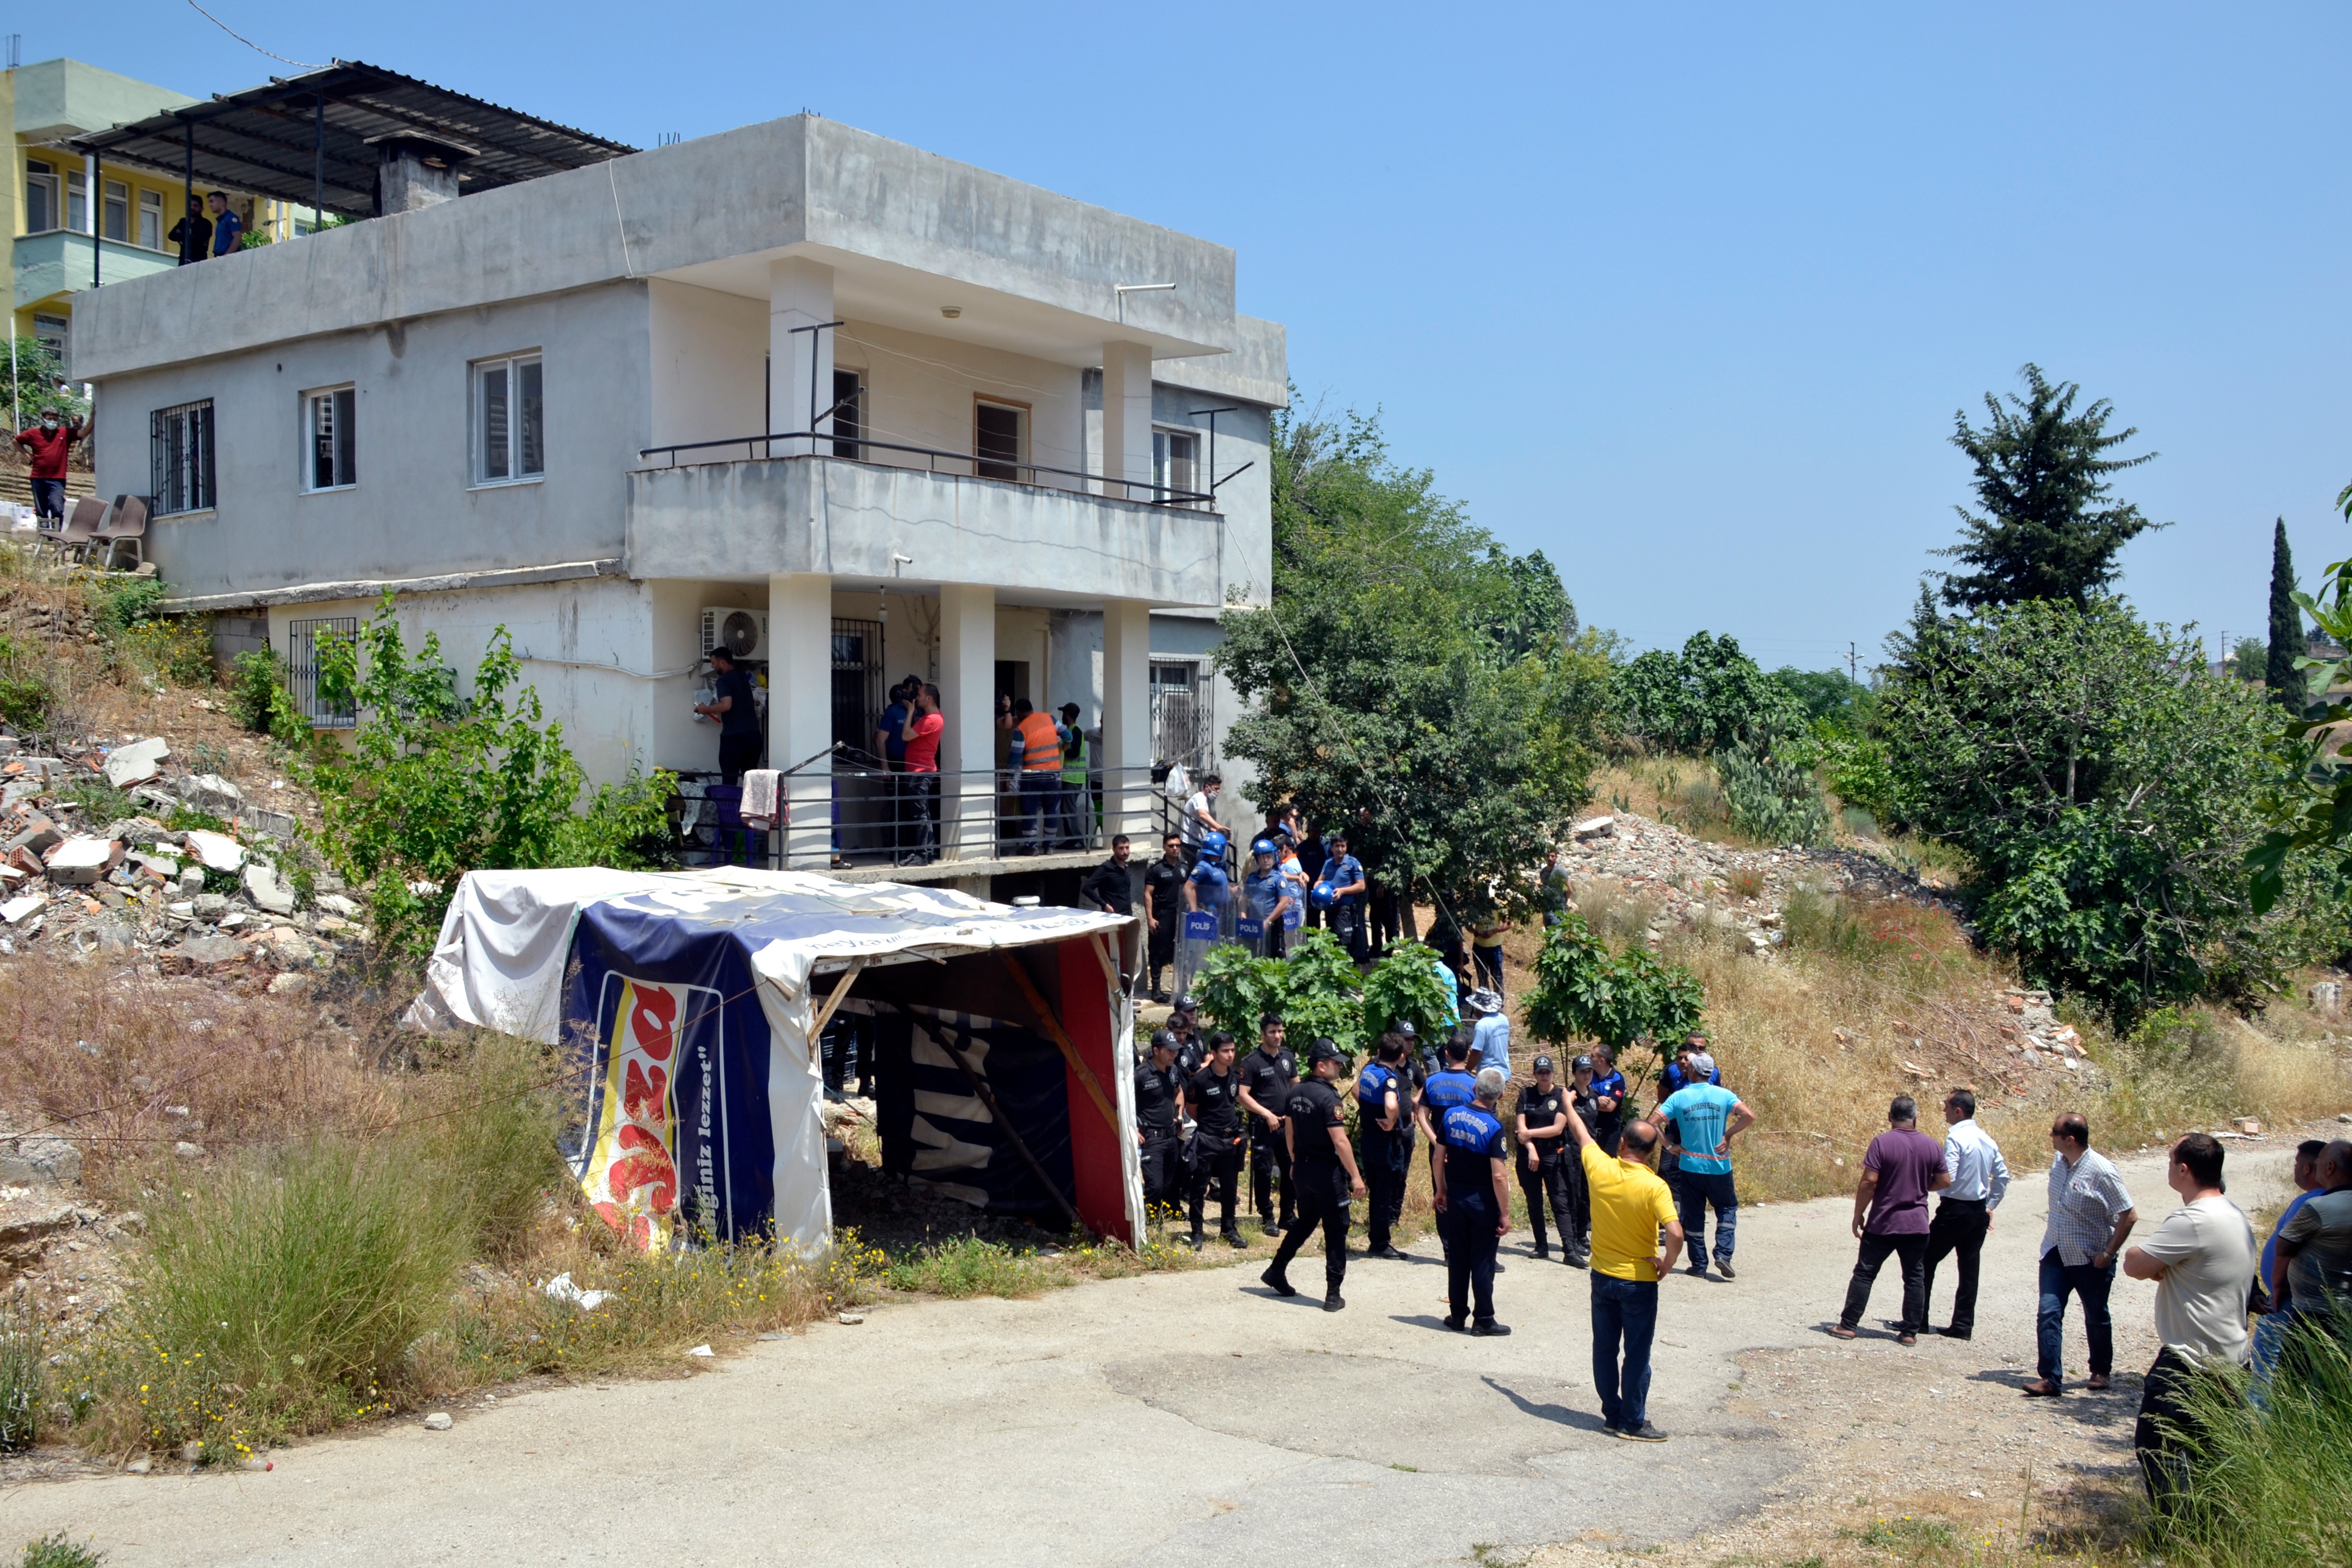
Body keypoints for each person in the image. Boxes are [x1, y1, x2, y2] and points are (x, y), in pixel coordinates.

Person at [2121, 1133, 2257, 1510]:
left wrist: (2155, 1262)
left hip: (2191, 1363)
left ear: (2183, 1169)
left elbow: (2135, 1264)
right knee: (2211, 1457)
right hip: (2232, 1359)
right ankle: (2215, 1534)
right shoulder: (2233, 1213)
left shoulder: (2193, 1220)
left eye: (2169, 1161)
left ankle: (2174, 1534)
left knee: (2157, 1448)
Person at [1561, 1083, 1683, 1440]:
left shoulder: (1601, 1168)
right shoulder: (1655, 1186)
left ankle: (1612, 1414)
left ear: (1623, 1144)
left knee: (1605, 1348)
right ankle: (1633, 1421)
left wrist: (1569, 1104)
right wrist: (1667, 1263)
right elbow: (1675, 1233)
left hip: (1602, 1275)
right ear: (1650, 1152)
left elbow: (1581, 1133)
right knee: (1637, 1353)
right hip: (1639, 1279)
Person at [2023, 1111, 2137, 1397]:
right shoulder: (2058, 1163)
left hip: (2091, 1257)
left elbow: (2129, 1215)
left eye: (2055, 1133)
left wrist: (2109, 1253)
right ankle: (2050, 1378)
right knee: (2048, 1312)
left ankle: (2100, 1371)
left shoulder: (2102, 1171)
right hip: (2055, 1251)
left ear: (2070, 1140)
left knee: (2096, 1315)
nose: (2050, 1137)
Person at [1832, 1096, 1951, 1344]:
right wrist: (1920, 1185)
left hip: (1883, 1222)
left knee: (1865, 1273)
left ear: (1890, 1117)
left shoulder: (1881, 1143)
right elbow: (1944, 1182)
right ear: (1916, 1118)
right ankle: (1909, 1332)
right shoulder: (1932, 1145)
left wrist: (1858, 1214)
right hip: (1917, 1223)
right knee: (1914, 1277)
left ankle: (1848, 1325)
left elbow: (1869, 1181)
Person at [1261, 1039, 1365, 1311]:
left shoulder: (1295, 1093)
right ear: (1322, 1066)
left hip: (1303, 1170)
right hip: (1326, 1172)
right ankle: (1333, 1293)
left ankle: (1276, 1270)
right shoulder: (1329, 1098)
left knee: (1306, 1221)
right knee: (1336, 1228)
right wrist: (1356, 1177)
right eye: (1336, 1063)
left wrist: (1295, 1161)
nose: (1341, 1066)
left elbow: (1289, 1131)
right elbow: (1341, 1142)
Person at [1653, 1051, 1752, 1281]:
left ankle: (1698, 1264)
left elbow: (1653, 1123)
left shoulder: (1679, 1097)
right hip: (1719, 1166)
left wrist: (1669, 1146)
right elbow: (1749, 1115)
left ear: (1693, 1071)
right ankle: (1724, 1253)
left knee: (1694, 1215)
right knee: (1727, 1209)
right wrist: (1728, 1135)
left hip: (1689, 1164)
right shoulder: (1724, 1095)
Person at [1432, 1066, 1515, 1335]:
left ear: (1474, 1089)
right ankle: (1483, 1319)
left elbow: (1438, 1157)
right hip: (1483, 1201)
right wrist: (1505, 1213)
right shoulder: (1494, 1128)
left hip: (1456, 1195)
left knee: (1458, 1258)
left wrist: (1441, 1189)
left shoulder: (1451, 1116)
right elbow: (1499, 1176)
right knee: (1482, 1260)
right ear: (1501, 1096)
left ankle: (1457, 1315)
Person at [1922, 1087, 2010, 1340]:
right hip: (1977, 1210)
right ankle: (1962, 1325)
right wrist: (1990, 1205)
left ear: (1958, 1111)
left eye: (1947, 1106)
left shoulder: (1956, 1139)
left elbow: (1947, 1177)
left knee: (1924, 1260)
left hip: (1955, 1210)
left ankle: (1918, 1319)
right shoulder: (1987, 1139)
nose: (1944, 1110)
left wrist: (1922, 1187)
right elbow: (2003, 1176)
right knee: (1969, 1269)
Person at [2250, 1139, 2330, 1399]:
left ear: (2308, 1168)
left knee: (2267, 1371)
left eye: (2297, 1164)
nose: (2294, 1169)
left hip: (2287, 1302)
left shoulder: (2314, 1204)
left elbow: (2286, 1251)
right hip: (2291, 1299)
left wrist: (2277, 1290)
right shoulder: (2314, 1200)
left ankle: (2259, 1429)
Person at [2269, 1138, 2352, 1358]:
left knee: (2295, 1376)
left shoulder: (2319, 1207)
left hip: (2312, 1311)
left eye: (2321, 1159)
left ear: (2330, 1167)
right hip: (2346, 1310)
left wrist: (2277, 1287)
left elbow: (2284, 1248)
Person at [1515, 1055, 1581, 1264]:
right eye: (1540, 1072)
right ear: (1535, 1074)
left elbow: (1558, 1128)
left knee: (1560, 1201)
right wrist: (1532, 1149)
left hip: (1554, 1153)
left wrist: (1530, 1134)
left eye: (1548, 1072)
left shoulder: (1561, 1094)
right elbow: (1520, 1128)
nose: (1544, 1076)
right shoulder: (1526, 1094)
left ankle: (1569, 1249)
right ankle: (1541, 1246)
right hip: (1529, 1154)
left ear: (1553, 1073)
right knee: (1534, 1201)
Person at [1184, 1032, 1248, 1248]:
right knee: (1199, 1187)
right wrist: (1209, 1128)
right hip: (1207, 1140)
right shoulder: (1201, 1080)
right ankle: (1197, 1233)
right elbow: (1192, 1110)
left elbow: (1235, 1101)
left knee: (1230, 1188)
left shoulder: (1234, 1076)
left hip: (1230, 1141)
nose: (1230, 1055)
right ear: (1213, 1053)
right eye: (1225, 1051)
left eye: (1232, 1050)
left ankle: (1229, 1229)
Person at [1237, 1015, 1297, 1236]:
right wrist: (1266, 1114)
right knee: (1263, 1172)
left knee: (1292, 1168)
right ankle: (1267, 1217)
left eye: (1280, 1031)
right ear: (1262, 1034)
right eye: (1273, 1031)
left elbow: (1295, 1086)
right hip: (1264, 1126)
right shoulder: (1252, 1062)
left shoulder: (1288, 1057)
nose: (1278, 1035)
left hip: (1286, 1124)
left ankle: (1287, 1215)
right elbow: (1242, 1096)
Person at [1356, 1032, 1411, 1260]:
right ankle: (1380, 1243)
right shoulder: (1390, 1078)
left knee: (1376, 1190)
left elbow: (1356, 1090)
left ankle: (1376, 1238)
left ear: (1379, 1052)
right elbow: (1391, 1104)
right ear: (1400, 1057)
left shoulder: (1369, 1070)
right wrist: (1391, 1121)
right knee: (1385, 1194)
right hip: (1385, 1145)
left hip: (1368, 1140)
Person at [695, 647, 764, 784]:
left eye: (714, 663)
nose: (713, 666)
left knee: (729, 780)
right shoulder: (742, 675)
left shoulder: (724, 680)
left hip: (734, 738)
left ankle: (730, 806)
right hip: (754, 735)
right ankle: (751, 806)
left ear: (723, 663)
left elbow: (726, 705)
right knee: (751, 782)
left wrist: (705, 709)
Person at [1006, 698, 1065, 854]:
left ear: (1018, 713)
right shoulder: (1050, 719)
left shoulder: (1021, 729)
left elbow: (1015, 757)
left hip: (1032, 776)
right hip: (1054, 775)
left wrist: (1010, 777)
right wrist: (1063, 745)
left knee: (1029, 811)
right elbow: (1069, 736)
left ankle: (1031, 847)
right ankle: (1050, 846)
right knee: (1052, 811)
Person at [1134, 1031, 1184, 1207]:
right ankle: (1150, 1221)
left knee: (1167, 1185)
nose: (1174, 1054)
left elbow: (1179, 1092)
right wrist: (1133, 1129)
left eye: (1176, 1050)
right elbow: (1125, 1103)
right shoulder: (1140, 1075)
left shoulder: (1173, 1071)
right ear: (1156, 1050)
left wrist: (1179, 1116)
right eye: (1169, 1050)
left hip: (1171, 1136)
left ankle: (1158, 1216)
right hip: (1151, 1139)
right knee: (1154, 1186)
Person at [12, 407, 86, 527]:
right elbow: (16, 441)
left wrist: (93, 418)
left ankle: (56, 536)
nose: (52, 421)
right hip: (38, 477)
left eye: (55, 419)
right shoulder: (33, 433)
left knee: (56, 506)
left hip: (57, 479)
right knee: (41, 510)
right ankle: (44, 536)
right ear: (43, 419)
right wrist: (28, 455)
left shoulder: (64, 432)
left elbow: (83, 433)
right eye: (50, 419)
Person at [1082, 835, 1138, 989]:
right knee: (1116, 955)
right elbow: (1087, 889)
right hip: (1113, 919)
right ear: (1114, 849)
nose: (1125, 851)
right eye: (1121, 848)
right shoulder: (1106, 869)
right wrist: (1104, 904)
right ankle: (1116, 989)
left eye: (1127, 848)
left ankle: (1128, 992)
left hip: (1127, 917)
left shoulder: (1126, 869)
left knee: (1128, 955)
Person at [898, 683, 943, 865]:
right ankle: (928, 852)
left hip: (920, 772)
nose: (917, 697)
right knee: (923, 813)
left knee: (920, 815)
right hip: (920, 770)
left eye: (920, 694)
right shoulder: (931, 718)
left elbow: (906, 736)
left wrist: (910, 711)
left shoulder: (931, 719)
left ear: (929, 698)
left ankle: (923, 855)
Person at [1563, 1054, 1602, 1261]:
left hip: (1591, 1152)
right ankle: (1573, 1239)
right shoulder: (1568, 1096)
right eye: (1583, 1072)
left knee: (1588, 1196)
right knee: (1574, 1195)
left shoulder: (1594, 1096)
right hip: (1573, 1152)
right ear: (1575, 1074)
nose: (1587, 1076)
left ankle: (1582, 1234)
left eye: (1589, 1072)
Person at [1143, 834, 1187, 999]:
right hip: (1162, 914)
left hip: (1180, 913)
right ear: (1164, 848)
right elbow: (1148, 894)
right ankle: (1156, 990)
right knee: (1158, 952)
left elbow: (1190, 890)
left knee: (1180, 951)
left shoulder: (1185, 867)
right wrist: (1150, 918)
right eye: (1171, 846)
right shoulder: (1156, 869)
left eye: (1177, 845)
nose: (1175, 848)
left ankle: (1182, 988)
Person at [874, 677, 914, 859]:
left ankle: (912, 848)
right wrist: (885, 766)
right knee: (896, 807)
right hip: (895, 762)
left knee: (912, 807)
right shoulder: (893, 711)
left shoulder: (919, 711)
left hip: (915, 765)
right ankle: (896, 850)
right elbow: (880, 739)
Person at [1241, 838, 1294, 959]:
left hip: (1274, 925)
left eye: (1268, 856)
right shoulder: (1252, 878)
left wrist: (1269, 921)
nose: (1266, 860)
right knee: (1254, 955)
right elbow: (1244, 899)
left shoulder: (1279, 878)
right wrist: (1243, 916)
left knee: (1275, 955)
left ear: (1274, 857)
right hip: (1254, 923)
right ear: (1256, 860)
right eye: (1261, 857)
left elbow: (1284, 903)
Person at [1320, 830, 1368, 962]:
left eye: (1343, 846)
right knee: (1332, 942)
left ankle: (1347, 975)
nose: (1340, 849)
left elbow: (1361, 886)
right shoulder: (1328, 863)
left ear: (1346, 847)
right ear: (1332, 848)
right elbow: (1319, 881)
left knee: (1344, 944)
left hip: (1345, 911)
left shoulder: (1353, 863)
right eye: (1337, 846)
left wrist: (1342, 891)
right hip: (1330, 910)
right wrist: (1319, 887)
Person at [1182, 830, 1232, 936]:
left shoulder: (1218, 865)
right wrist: (1194, 913)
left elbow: (1220, 885)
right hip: (1210, 914)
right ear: (1219, 847)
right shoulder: (1203, 866)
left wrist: (1232, 890)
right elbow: (1188, 888)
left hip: (1223, 913)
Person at [1055, 701, 1090, 849]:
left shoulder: (1075, 731)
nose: (1062, 716)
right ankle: (1071, 840)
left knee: (1069, 810)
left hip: (1073, 778)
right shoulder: (1071, 730)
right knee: (1066, 809)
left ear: (1067, 715)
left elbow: (1074, 753)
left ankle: (1077, 840)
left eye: (1064, 713)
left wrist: (1060, 750)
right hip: (1069, 777)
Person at [1587, 1045, 1627, 1156]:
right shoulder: (1588, 1075)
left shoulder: (1617, 1079)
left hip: (1610, 1133)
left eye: (1592, 1056)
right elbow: (1579, 1099)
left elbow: (1610, 1107)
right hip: (1589, 1129)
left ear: (1601, 1061)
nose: (1589, 1058)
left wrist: (1588, 1103)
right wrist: (1597, 1101)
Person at [1465, 988, 1511, 1081]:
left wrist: (1467, 1071)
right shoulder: (1503, 1018)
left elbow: (1477, 1053)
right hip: (1504, 1073)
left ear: (1479, 1009)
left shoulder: (1482, 1025)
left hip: (1488, 1076)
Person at [1181, 773, 1228, 863]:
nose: (1218, 792)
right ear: (1207, 787)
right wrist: (1220, 828)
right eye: (1216, 789)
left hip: (1198, 842)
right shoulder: (1200, 798)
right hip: (1191, 843)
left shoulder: (1205, 801)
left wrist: (1218, 833)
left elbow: (1204, 822)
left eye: (1219, 789)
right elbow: (1203, 815)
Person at [1165, 993, 1205, 1077]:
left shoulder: (1197, 1032)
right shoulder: (1177, 1040)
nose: (1193, 1014)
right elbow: (1185, 1070)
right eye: (1188, 1011)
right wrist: (1209, 1067)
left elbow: (1208, 1056)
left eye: (1194, 1010)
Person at [167, 194, 211, 265]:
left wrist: (182, 238)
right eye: (190, 205)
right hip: (183, 261)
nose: (192, 208)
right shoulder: (183, 222)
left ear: (202, 209)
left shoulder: (205, 224)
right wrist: (189, 236)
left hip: (199, 262)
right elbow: (171, 236)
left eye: (195, 206)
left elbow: (199, 239)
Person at [1469, 918, 1508, 995]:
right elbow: (1467, 924)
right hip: (1479, 948)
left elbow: (1509, 924)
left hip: (1495, 949)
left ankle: (1499, 1004)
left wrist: (1493, 931)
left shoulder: (1499, 906)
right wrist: (1474, 931)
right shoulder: (1475, 906)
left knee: (1497, 978)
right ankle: (1485, 1003)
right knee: (1482, 978)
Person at [1540, 846, 1572, 929]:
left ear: (1556, 858)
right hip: (1547, 909)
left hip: (1558, 909)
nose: (1550, 858)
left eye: (1553, 856)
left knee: (1557, 936)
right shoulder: (1543, 872)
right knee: (1549, 936)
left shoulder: (1560, 871)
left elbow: (1570, 890)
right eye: (1548, 856)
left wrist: (1563, 901)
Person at [206, 190, 244, 257]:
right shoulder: (221, 220)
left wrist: (227, 256)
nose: (210, 205)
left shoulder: (231, 217)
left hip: (228, 258)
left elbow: (238, 238)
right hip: (219, 257)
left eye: (212, 202)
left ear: (221, 203)